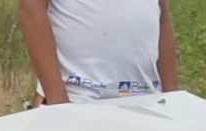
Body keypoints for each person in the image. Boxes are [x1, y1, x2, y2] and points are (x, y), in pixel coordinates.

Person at [18, 0, 177, 105]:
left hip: (146, 102)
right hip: (78, 100)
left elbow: (161, 15)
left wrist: (173, 100)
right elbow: (31, 9)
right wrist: (58, 102)